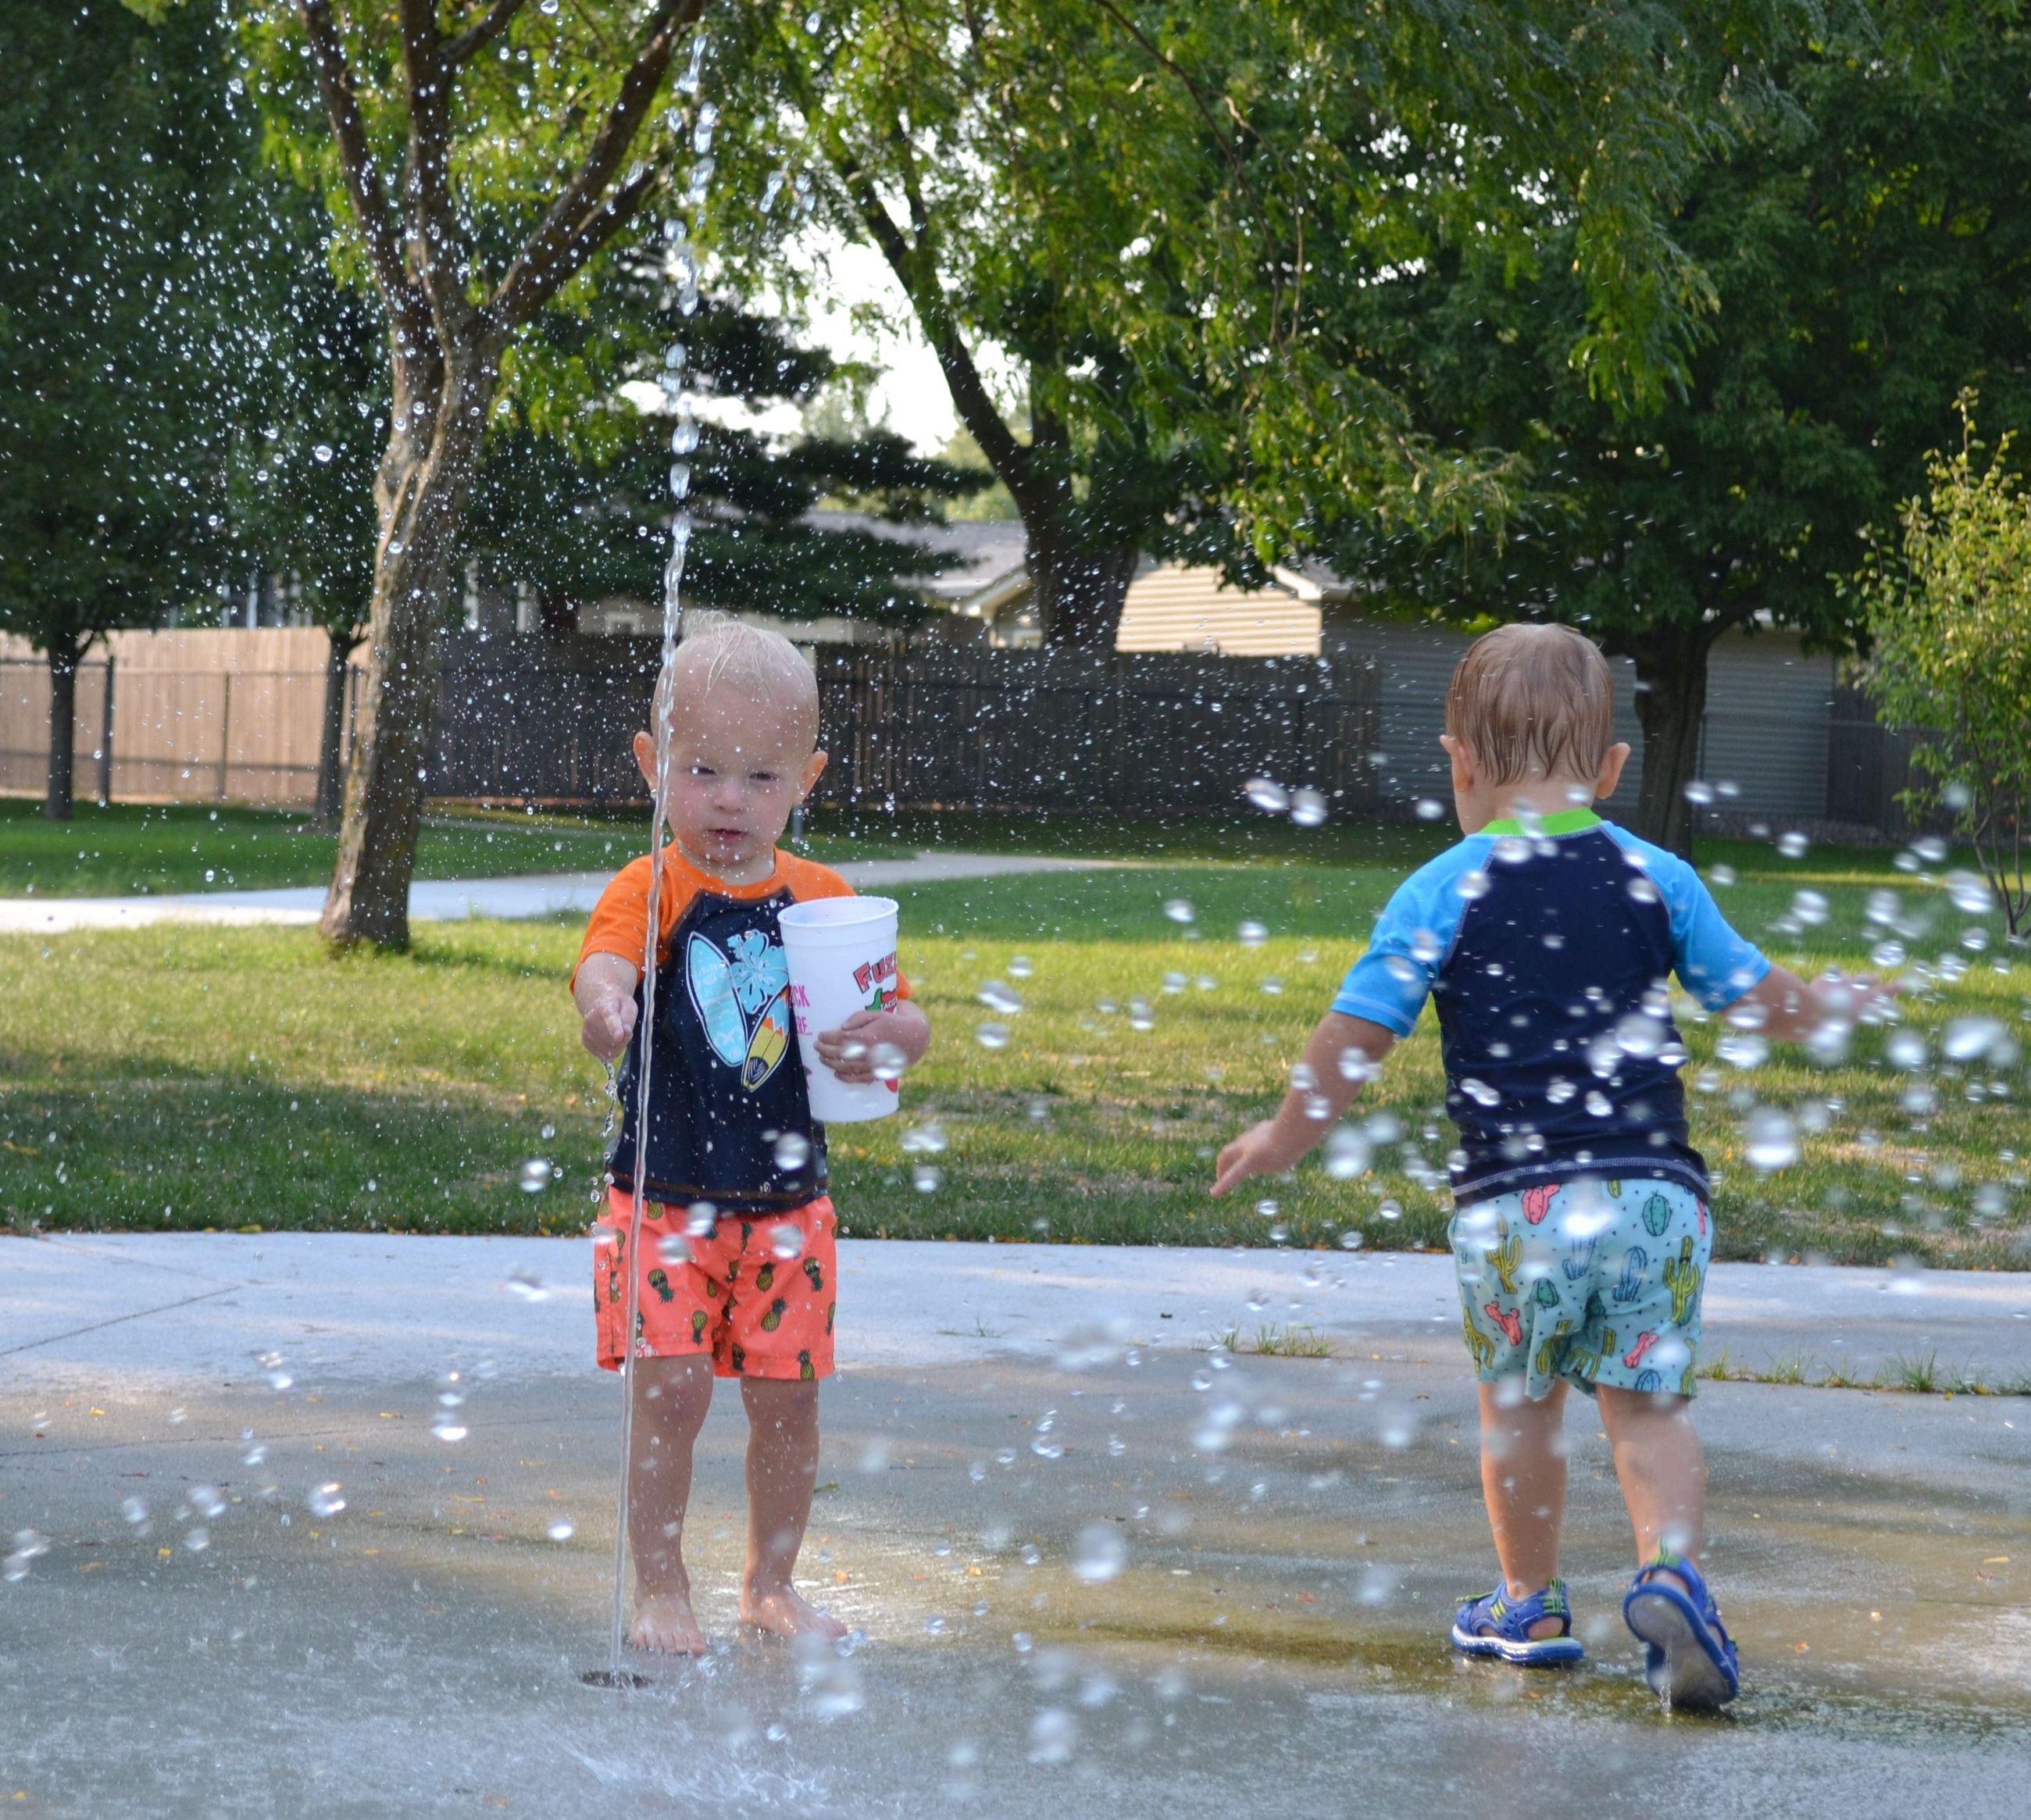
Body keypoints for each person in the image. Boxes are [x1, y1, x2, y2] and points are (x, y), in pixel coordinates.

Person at [1212, 623, 1886, 1709]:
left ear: (1460, 764)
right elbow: (1756, 997)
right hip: (1652, 1196)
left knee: (1520, 1405)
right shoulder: (1656, 873)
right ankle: (1672, 1573)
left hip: (1511, 1206)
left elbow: (1356, 1032)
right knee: (1649, 1408)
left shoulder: (1441, 887)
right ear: (1613, 770)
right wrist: (1835, 1002)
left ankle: (1527, 1602)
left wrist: (1284, 1132)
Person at [572, 615, 930, 1654]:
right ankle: (660, 1586)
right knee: (671, 1396)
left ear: (805, 778)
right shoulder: (654, 887)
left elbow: (900, 1013)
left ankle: (770, 1584)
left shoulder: (824, 901)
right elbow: (602, 964)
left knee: (788, 1403)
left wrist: (896, 1033)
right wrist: (606, 1006)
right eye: (702, 769)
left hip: (787, 1207)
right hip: (661, 1197)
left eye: (760, 776)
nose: (729, 798)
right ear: (653, 765)